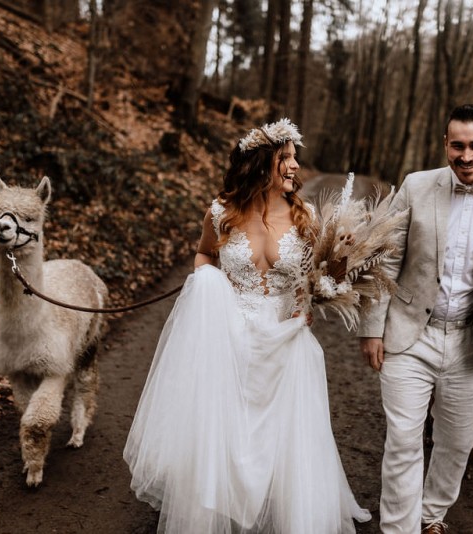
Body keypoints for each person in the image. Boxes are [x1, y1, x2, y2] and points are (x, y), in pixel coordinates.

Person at [124, 118, 371, 533]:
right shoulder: (221, 212)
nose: (294, 167)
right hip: (227, 333)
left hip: (284, 337)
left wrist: (326, 279)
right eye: (285, 159)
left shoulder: (306, 216)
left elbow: (327, 274)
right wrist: (208, 287)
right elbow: (204, 257)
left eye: (295, 158)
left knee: (280, 435)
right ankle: (219, 503)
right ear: (260, 164)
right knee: (226, 426)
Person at [358, 104, 473, 534]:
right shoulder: (416, 187)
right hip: (408, 336)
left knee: (456, 443)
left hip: (470, 345)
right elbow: (385, 260)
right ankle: (399, 528)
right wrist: (371, 327)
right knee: (403, 440)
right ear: (445, 144)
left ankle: (431, 515)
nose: (467, 155)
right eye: (458, 145)